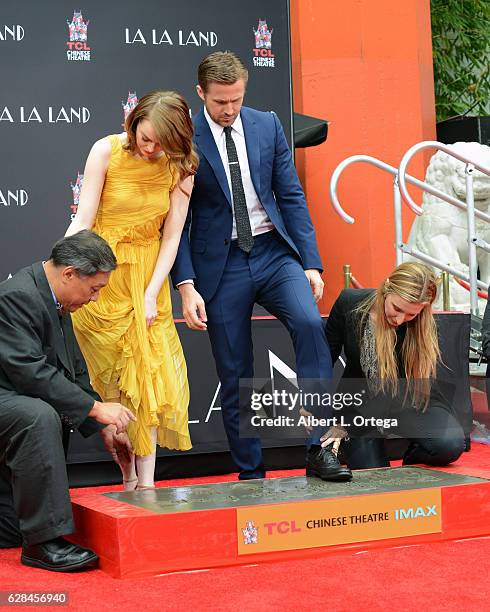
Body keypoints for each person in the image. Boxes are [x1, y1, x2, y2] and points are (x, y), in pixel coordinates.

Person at [171, 51, 351, 482]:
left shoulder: (266, 124)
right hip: (221, 264)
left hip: (274, 251)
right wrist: (186, 283)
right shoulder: (183, 138)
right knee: (235, 371)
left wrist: (310, 262)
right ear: (201, 94)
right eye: (219, 102)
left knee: (310, 326)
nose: (229, 110)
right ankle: (251, 474)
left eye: (236, 99)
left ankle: (320, 448)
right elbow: (174, 220)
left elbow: (291, 195)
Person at [66, 91, 199, 490]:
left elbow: (172, 238)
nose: (152, 148)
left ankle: (149, 483)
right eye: (146, 138)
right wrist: (56, 263)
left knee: (149, 378)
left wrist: (150, 293)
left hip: (148, 280)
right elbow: (84, 218)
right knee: (114, 389)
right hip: (102, 279)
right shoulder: (105, 151)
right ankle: (127, 478)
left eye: (162, 143)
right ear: (134, 121)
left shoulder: (182, 167)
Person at [0, 230, 136, 572]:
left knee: (10, 530)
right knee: (38, 414)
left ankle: (32, 532)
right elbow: (29, 372)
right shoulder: (17, 296)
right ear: (69, 274)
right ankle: (43, 545)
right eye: (94, 289)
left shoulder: (54, 300)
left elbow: (72, 372)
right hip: (9, 397)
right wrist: (95, 408)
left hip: (9, 398)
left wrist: (99, 422)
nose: (94, 299)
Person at [324, 262, 466, 469]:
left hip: (407, 399)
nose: (400, 319)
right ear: (386, 289)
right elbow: (325, 357)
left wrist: (347, 425)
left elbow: (392, 392)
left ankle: (415, 457)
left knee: (449, 445)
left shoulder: (419, 328)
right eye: (397, 308)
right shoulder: (349, 303)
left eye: (411, 314)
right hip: (360, 403)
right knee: (374, 475)